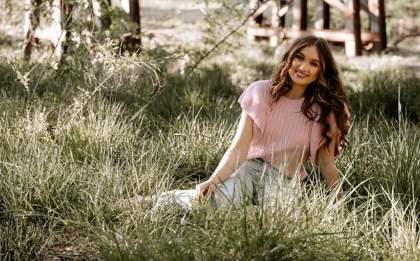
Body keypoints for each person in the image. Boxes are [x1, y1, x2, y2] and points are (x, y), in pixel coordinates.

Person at [151, 35, 352, 209]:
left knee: (276, 222)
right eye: (299, 58)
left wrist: (339, 202)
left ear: (321, 71)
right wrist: (213, 181)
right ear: (289, 59)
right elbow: (239, 148)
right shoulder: (260, 92)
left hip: (285, 182)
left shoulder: (325, 111)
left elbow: (326, 163)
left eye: (313, 63)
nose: (303, 67)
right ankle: (155, 200)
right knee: (213, 205)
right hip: (249, 169)